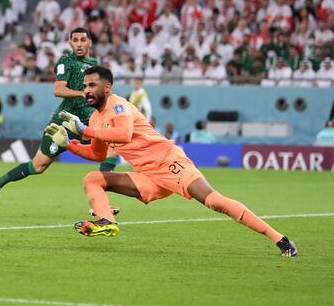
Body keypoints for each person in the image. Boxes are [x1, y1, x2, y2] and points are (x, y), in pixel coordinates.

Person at [48, 66, 298, 257]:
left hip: (169, 162)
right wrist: (68, 144)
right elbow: (98, 155)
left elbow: (122, 134)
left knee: (214, 202)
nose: (87, 90)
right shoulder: (94, 120)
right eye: (85, 86)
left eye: (93, 85)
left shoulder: (119, 106)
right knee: (92, 179)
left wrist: (84, 131)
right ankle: (107, 222)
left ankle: (279, 238)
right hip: (147, 175)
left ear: (108, 88)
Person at [0, 28, 118, 210]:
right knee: (38, 166)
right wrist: (83, 94)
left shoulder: (94, 65)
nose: (79, 44)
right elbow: (58, 90)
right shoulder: (66, 62)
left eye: (82, 40)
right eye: (75, 40)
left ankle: (99, 205)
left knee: (111, 147)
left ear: (90, 43)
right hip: (65, 121)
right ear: (70, 43)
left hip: (89, 120)